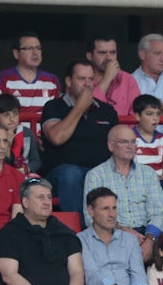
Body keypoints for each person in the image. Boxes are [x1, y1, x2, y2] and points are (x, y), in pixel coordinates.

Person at [0, 178, 129, 285]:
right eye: (40, 197)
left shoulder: (64, 233)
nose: (46, 202)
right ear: (25, 202)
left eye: (49, 197)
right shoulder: (10, 232)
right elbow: (9, 275)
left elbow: (77, 272)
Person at [39, 60, 119, 212]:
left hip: (99, 174)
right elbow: (57, 137)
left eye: (91, 79)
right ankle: (78, 232)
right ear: (69, 81)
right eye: (82, 79)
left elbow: (117, 145)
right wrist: (79, 108)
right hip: (62, 177)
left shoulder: (107, 111)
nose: (87, 84)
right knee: (71, 174)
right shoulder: (54, 107)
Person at [81, 124, 163, 258]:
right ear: (111, 146)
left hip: (146, 235)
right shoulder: (96, 174)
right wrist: (125, 232)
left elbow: (158, 213)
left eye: (133, 142)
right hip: (113, 234)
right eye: (124, 142)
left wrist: (149, 240)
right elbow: (90, 216)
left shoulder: (148, 173)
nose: (130, 146)